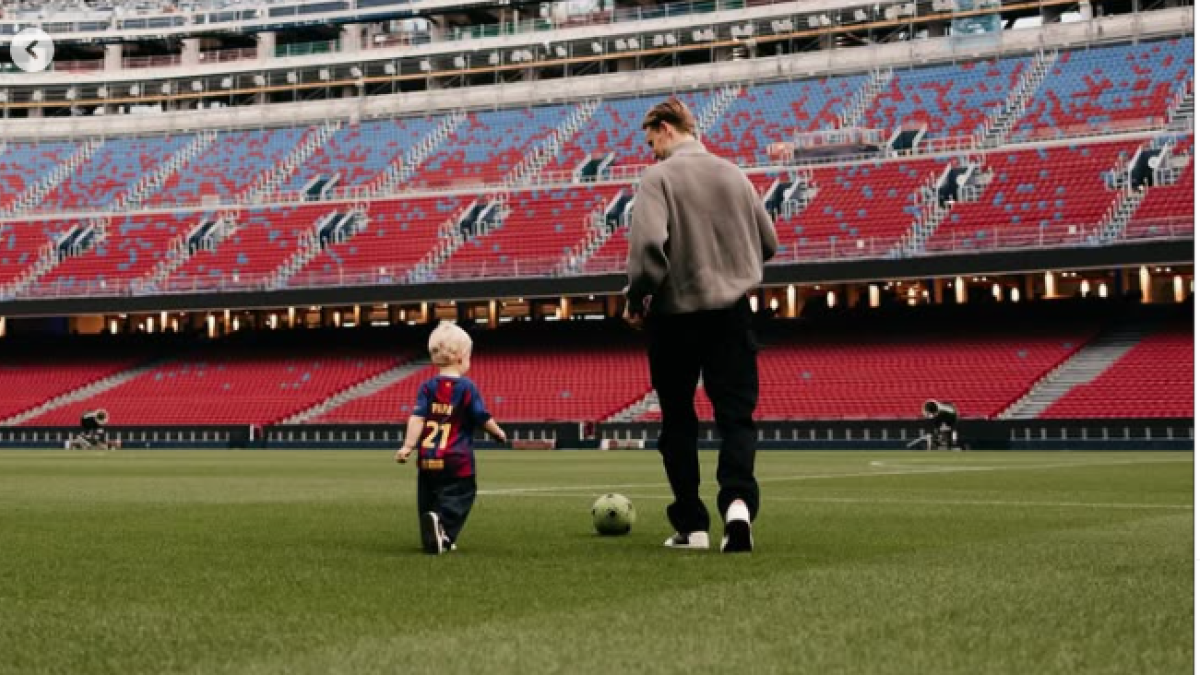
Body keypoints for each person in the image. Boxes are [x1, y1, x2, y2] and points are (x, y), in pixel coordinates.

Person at [624, 96, 778, 554]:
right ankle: (737, 507)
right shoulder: (734, 173)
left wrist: (637, 297)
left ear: (667, 128)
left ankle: (692, 526)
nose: (652, 152)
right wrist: (734, 265)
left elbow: (649, 248)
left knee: (678, 423)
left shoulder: (659, 177)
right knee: (736, 419)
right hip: (732, 314)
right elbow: (768, 242)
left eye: (653, 142)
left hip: (675, 317)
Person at [396, 321, 506, 555]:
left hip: (427, 457)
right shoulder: (466, 387)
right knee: (461, 495)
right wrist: (497, 432)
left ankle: (434, 531)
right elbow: (480, 416)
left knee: (429, 498)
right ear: (460, 358)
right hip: (457, 459)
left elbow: (417, 418)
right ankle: (443, 529)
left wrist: (408, 445)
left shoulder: (427, 387)